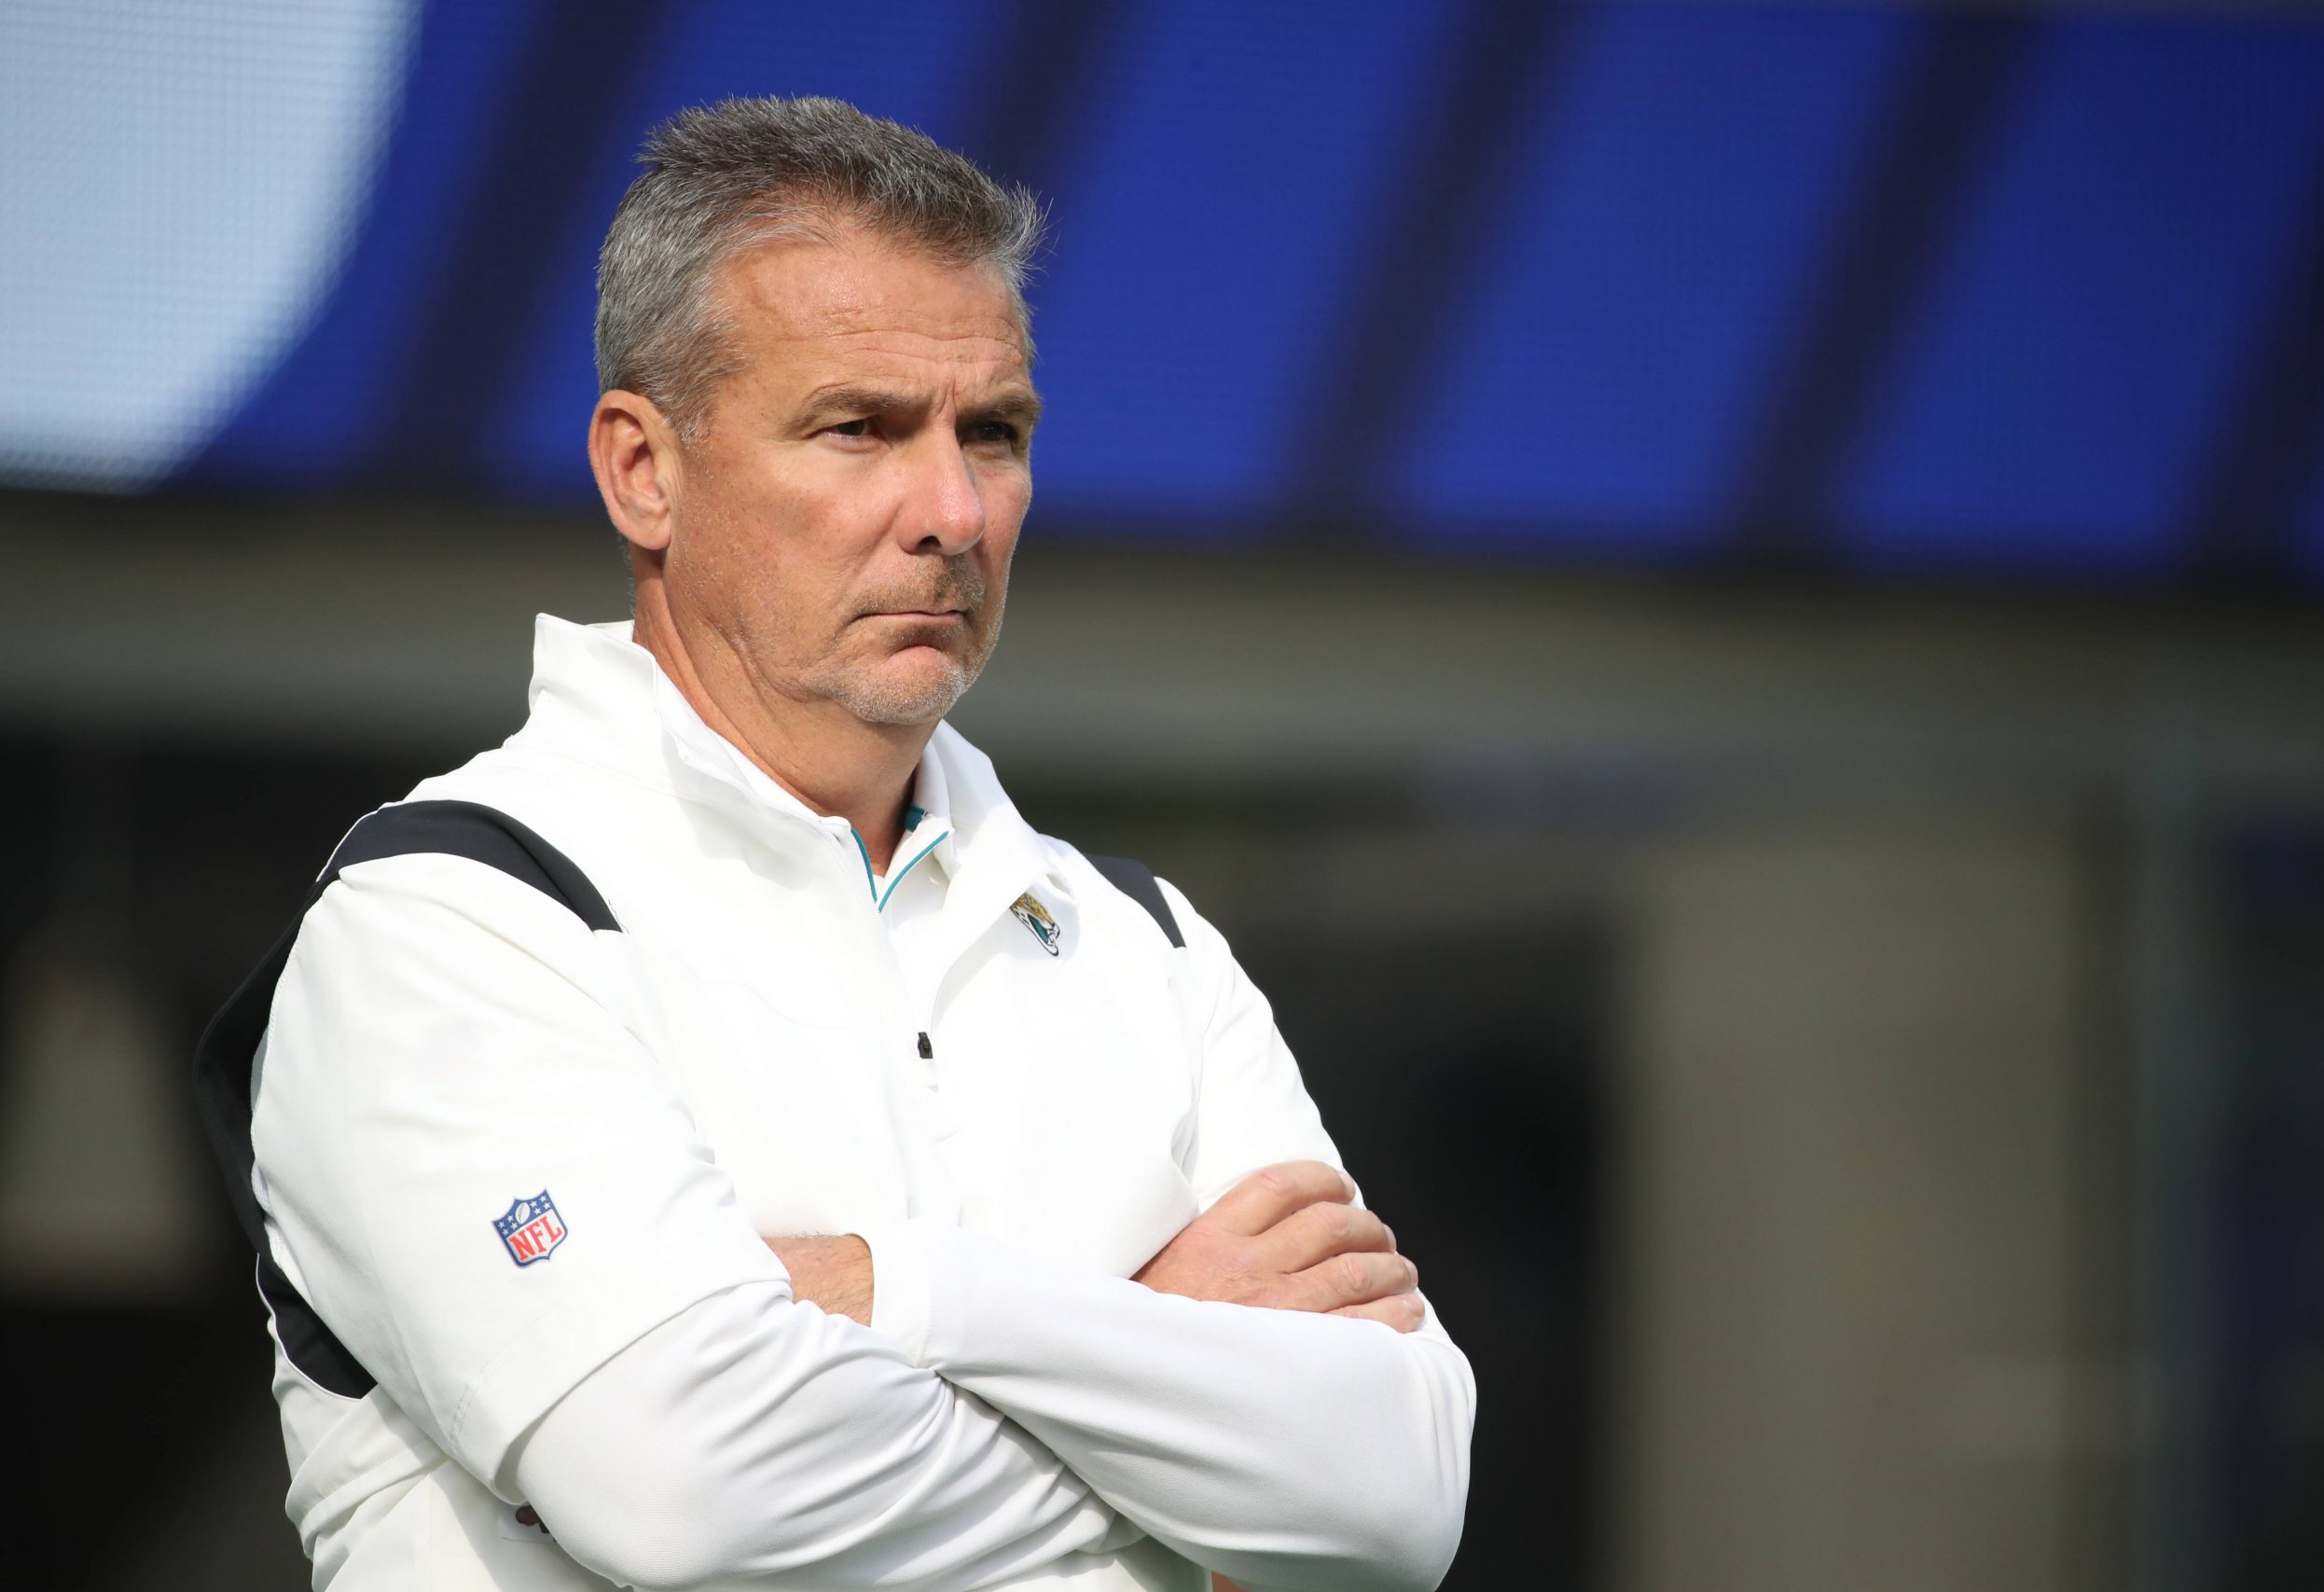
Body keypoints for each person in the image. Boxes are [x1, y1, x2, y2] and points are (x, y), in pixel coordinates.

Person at [196, 96, 1473, 1592]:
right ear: (641, 470)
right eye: (858, 426)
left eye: (992, 434)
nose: (951, 510)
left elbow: (1395, 1501)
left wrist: (885, 1295)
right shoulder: (450, 914)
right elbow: (691, 1501)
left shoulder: (1153, 944)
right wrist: (1166, 1363)